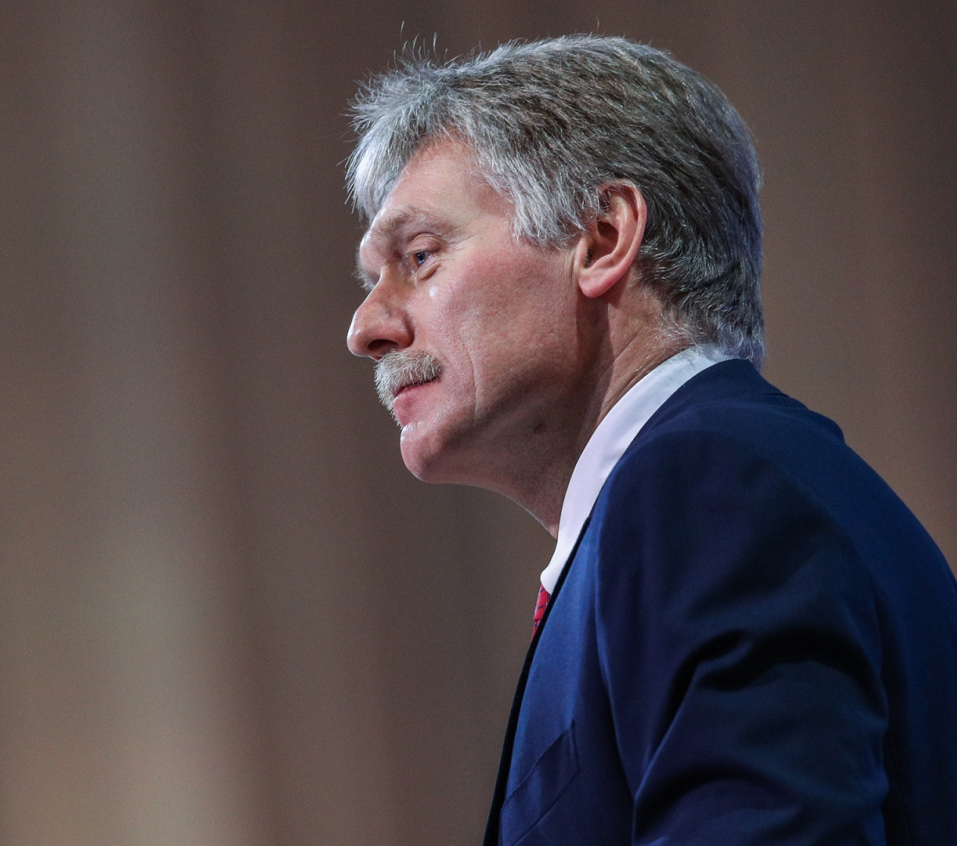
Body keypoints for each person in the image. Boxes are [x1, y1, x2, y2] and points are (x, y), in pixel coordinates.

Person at [344, 36, 957, 845]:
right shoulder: (714, 487)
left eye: (420, 257)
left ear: (602, 239)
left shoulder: (705, 486)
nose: (366, 329)